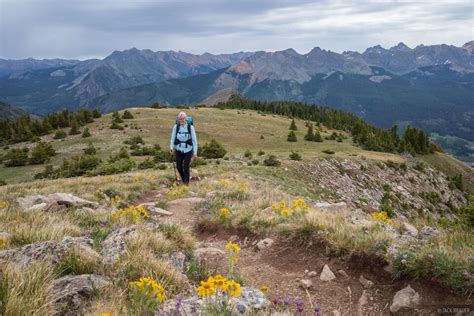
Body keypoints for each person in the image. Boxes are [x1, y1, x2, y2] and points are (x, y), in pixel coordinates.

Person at [169, 111, 198, 185]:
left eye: (182, 119)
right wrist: (171, 147)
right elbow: (172, 138)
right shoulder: (176, 127)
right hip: (178, 149)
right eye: (180, 119)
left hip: (188, 150)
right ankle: (183, 179)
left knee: (186, 167)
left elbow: (194, 141)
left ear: (185, 119)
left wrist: (195, 153)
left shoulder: (190, 127)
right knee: (179, 167)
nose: (181, 121)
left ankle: (186, 183)